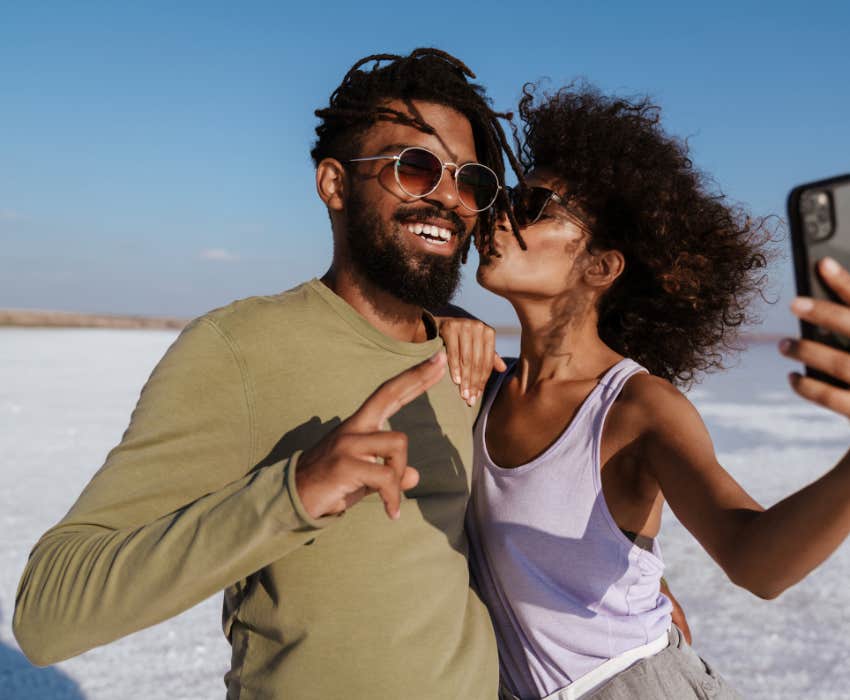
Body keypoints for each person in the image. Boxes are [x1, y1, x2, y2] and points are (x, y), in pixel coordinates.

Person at [13, 48, 523, 699]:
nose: (448, 197)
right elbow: (47, 614)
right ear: (334, 184)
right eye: (415, 166)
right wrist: (293, 494)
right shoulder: (240, 349)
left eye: (470, 180)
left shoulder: (468, 359)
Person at [438, 84, 850, 700]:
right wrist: (441, 319)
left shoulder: (638, 409)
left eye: (535, 205)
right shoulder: (481, 382)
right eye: (506, 199)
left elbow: (757, 564)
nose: (500, 215)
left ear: (600, 267)